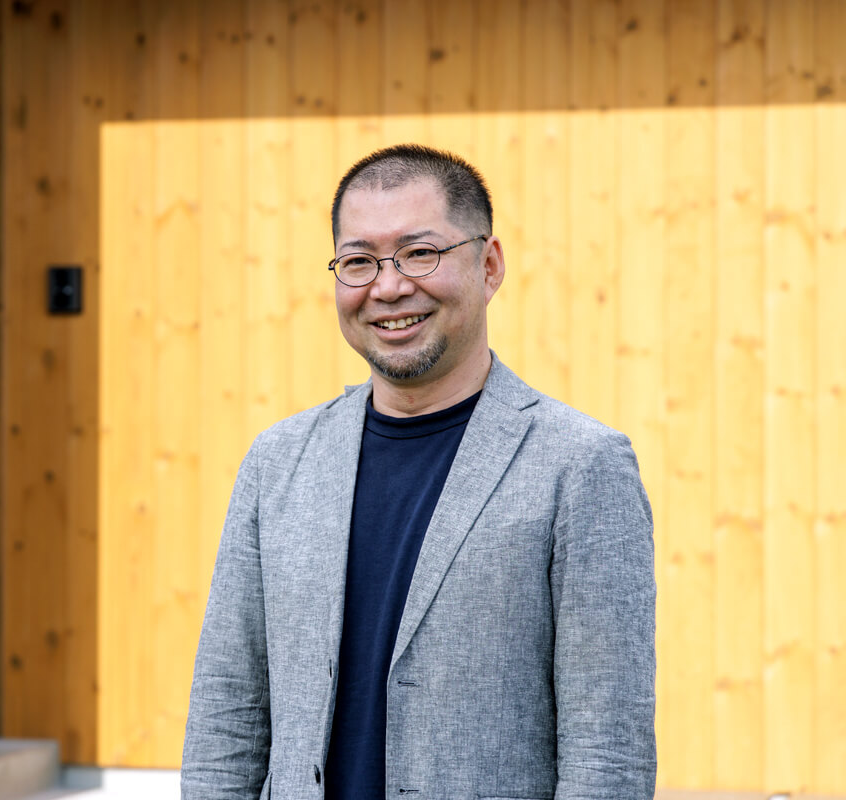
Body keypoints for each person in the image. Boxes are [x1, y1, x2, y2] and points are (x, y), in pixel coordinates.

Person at [181, 144, 656, 800]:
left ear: (489, 266)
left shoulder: (580, 466)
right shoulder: (277, 463)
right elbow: (227, 712)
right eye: (359, 261)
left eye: (420, 253)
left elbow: (608, 746)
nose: (389, 285)